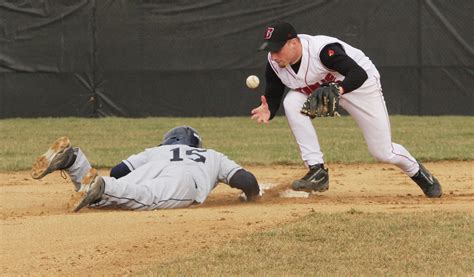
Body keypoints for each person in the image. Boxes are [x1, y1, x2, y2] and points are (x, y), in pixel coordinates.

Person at [250, 21, 442, 198]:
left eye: (277, 49)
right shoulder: (275, 64)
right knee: (291, 102)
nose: (273, 56)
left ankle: (420, 174)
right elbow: (274, 92)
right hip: (324, 88)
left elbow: (358, 73)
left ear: (293, 43)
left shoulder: (322, 51)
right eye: (270, 50)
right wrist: (270, 110)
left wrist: (338, 89)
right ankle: (317, 170)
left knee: (382, 151)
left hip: (360, 87)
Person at [31, 126, 261, 212]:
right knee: (148, 198)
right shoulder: (211, 155)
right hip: (184, 180)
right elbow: (247, 182)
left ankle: (74, 161)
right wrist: (252, 198)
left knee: (111, 195)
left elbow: (119, 171)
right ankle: (100, 186)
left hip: (151, 168)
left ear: (168, 141)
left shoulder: (155, 151)